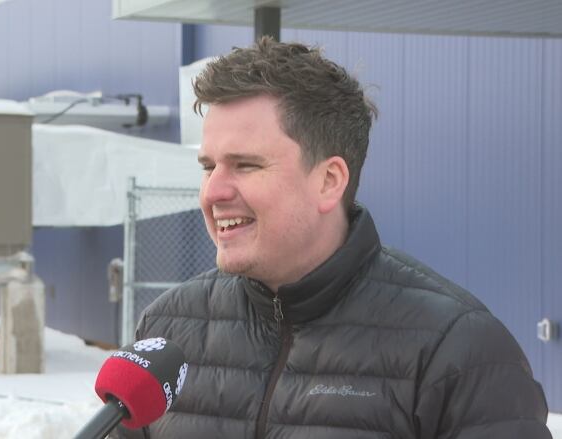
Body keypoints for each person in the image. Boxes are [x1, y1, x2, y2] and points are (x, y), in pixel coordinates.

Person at [116, 37, 551, 438]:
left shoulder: (458, 351)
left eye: (245, 165)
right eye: (209, 167)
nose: (213, 192)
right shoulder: (167, 334)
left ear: (328, 180)